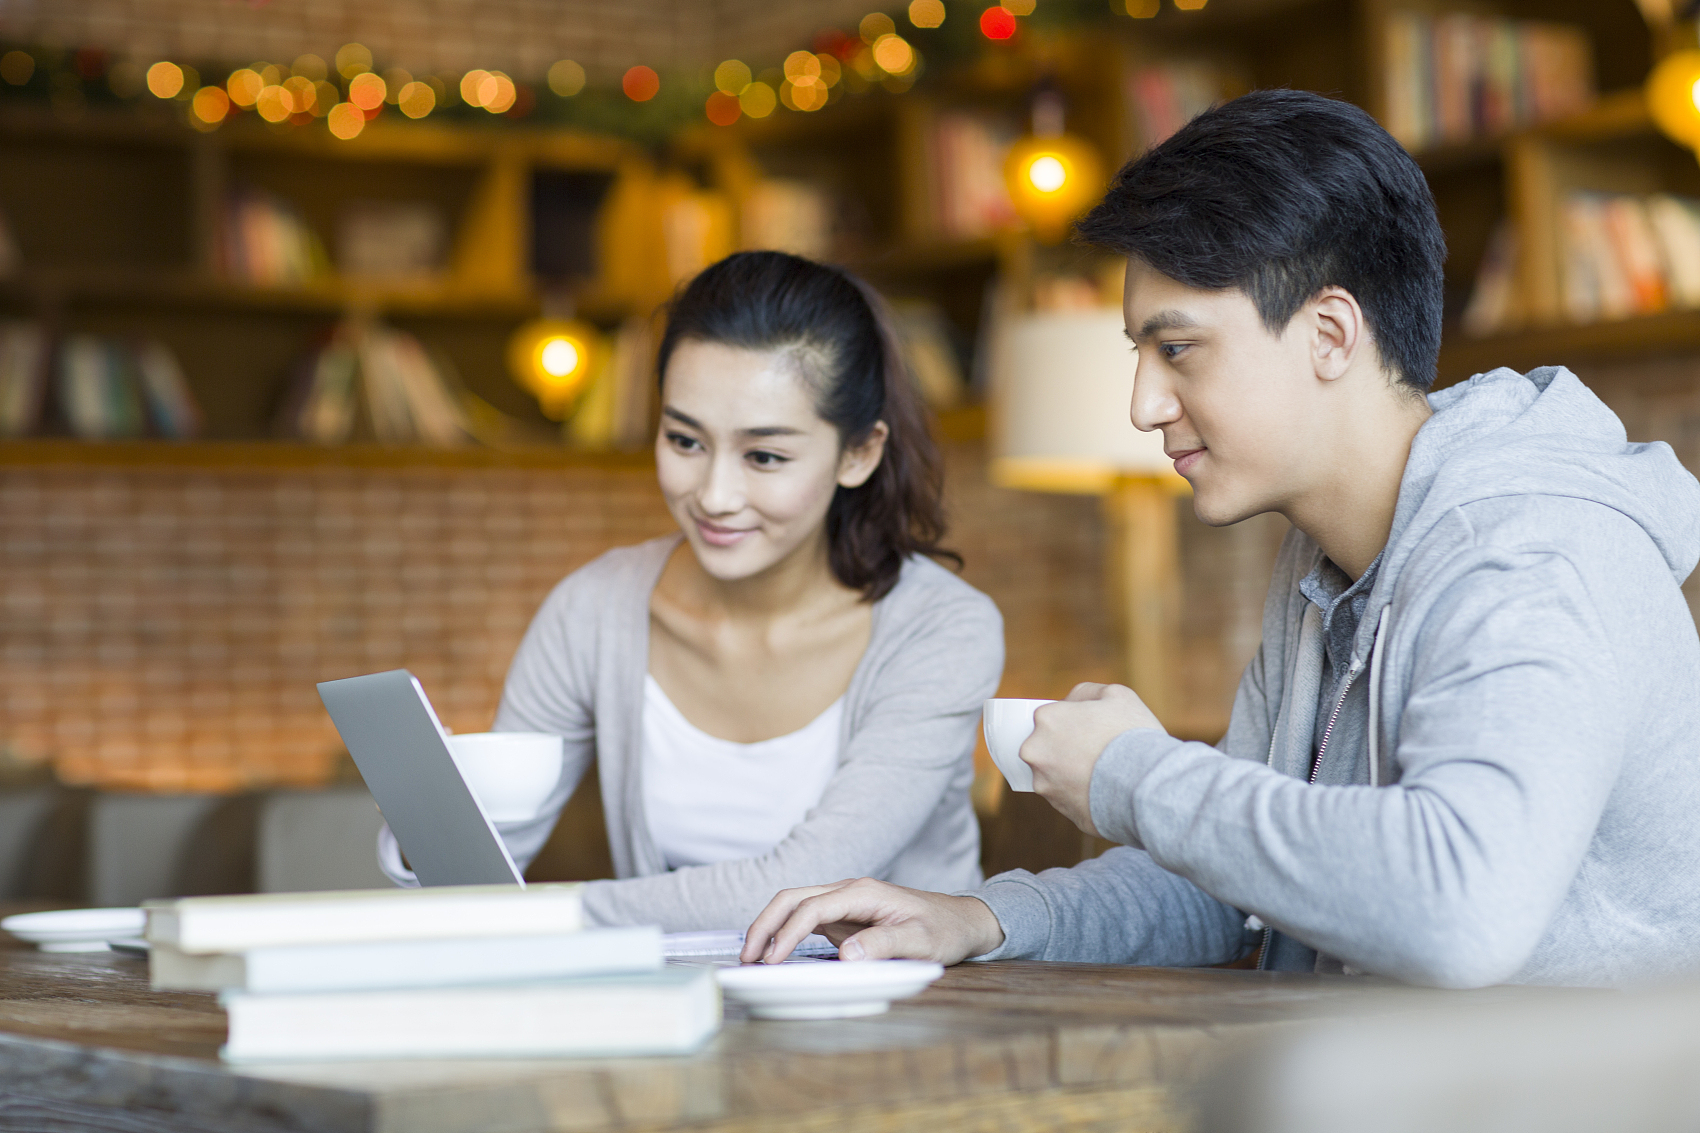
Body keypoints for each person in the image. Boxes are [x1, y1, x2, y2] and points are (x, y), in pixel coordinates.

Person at [741, 90, 1700, 989]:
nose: (1145, 403)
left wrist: (1134, 772)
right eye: (1141, 354)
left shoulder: (1533, 549)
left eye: (1179, 348)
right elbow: (1236, 888)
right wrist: (980, 919)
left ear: (1330, 334)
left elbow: (1463, 904)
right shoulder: (1327, 564)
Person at [379, 250, 1003, 930]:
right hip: (678, 1018)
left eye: (764, 455)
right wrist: (433, 822)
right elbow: (477, 883)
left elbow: (808, 883)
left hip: (910, 1023)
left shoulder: (943, 628)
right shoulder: (593, 610)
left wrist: (549, 916)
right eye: (684, 440)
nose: (714, 495)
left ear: (859, 453)